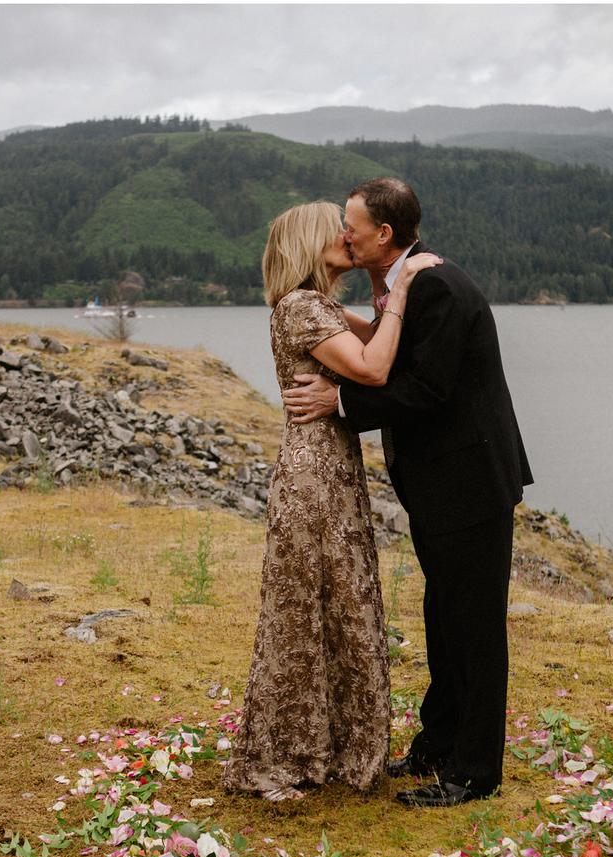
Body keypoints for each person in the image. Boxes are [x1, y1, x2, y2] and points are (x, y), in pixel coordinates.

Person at [282, 177, 532, 807]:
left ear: (382, 234)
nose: (344, 233)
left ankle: (474, 772)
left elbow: (427, 391)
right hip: (441, 484)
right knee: (443, 617)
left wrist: (339, 400)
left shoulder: (438, 287)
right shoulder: (403, 286)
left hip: (470, 482)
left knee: (473, 626)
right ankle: (437, 746)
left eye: (352, 224)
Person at [221, 200, 441, 803]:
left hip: (331, 469)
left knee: (338, 603)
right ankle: (295, 748)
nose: (346, 235)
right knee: (312, 607)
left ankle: (336, 744)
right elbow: (373, 370)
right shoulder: (300, 307)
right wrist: (404, 288)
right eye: (335, 229)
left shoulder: (319, 306)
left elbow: (387, 349)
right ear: (307, 242)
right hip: (313, 477)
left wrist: (383, 289)